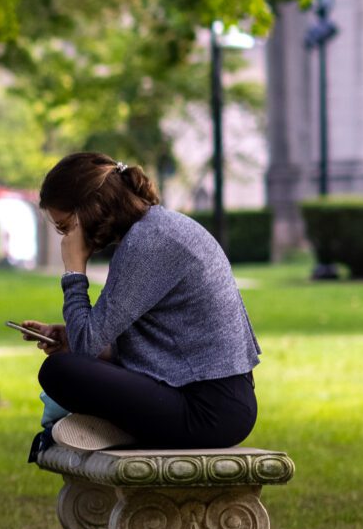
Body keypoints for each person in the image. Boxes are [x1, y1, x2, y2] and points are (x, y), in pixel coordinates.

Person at [14, 152, 259, 456]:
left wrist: (74, 270)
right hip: (204, 399)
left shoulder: (149, 242)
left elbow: (86, 345)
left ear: (88, 209)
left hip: (210, 411)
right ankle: (127, 428)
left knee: (58, 371)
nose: (66, 238)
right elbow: (118, 344)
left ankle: (125, 430)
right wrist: (71, 338)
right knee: (67, 363)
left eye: (66, 227)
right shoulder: (150, 231)